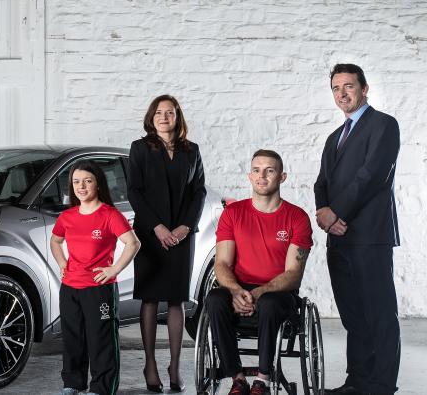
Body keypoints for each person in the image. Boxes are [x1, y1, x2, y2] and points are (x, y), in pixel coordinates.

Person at [315, 64, 400, 395]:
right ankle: (358, 382)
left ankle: (380, 386)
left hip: (370, 237)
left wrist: (335, 212)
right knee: (353, 316)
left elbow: (371, 176)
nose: (342, 93)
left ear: (364, 89)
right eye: (336, 89)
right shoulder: (334, 137)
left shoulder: (383, 125)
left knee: (379, 314)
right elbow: (322, 182)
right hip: (338, 240)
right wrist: (325, 214)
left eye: (348, 86)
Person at [206, 149, 313, 395]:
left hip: (278, 293)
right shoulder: (233, 213)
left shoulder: (297, 218)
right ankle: (237, 377)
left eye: (269, 170)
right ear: (249, 176)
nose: (261, 176)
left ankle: (263, 380)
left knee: (270, 304)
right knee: (214, 299)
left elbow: (294, 273)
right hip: (239, 287)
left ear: (282, 177)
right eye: (256, 170)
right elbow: (221, 263)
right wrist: (235, 290)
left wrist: (259, 293)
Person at [127, 94, 206, 392]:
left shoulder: (192, 151)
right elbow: (134, 191)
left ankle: (174, 365)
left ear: (177, 117)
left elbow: (198, 192)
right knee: (149, 298)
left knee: (176, 299)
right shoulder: (140, 149)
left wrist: (186, 227)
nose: (164, 116)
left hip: (182, 235)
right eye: (159, 112)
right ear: (151, 117)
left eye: (169, 112)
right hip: (150, 234)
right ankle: (150, 363)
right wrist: (157, 227)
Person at [50, 160, 141, 395]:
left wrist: (114, 269)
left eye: (87, 181)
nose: (81, 186)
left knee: (101, 340)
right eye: (76, 182)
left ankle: (102, 388)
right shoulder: (67, 216)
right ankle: (72, 383)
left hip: (99, 288)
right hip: (70, 287)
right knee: (73, 338)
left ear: (98, 184)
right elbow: (55, 241)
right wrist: (62, 262)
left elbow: (133, 243)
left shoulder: (109, 215)